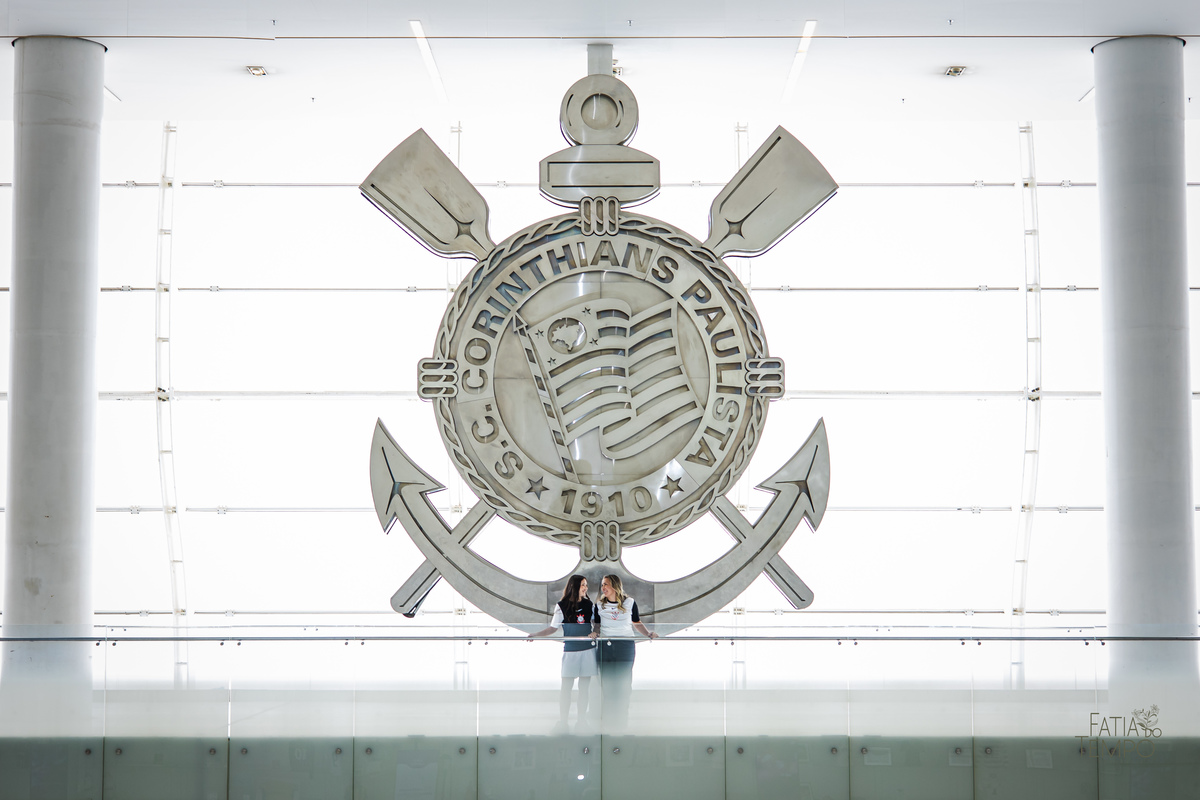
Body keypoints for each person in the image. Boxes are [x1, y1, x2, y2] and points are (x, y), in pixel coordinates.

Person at [528, 574, 597, 733]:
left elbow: (597, 625)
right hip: (571, 650)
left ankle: (581, 721)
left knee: (584, 688)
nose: (585, 588)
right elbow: (553, 628)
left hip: (588, 650)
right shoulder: (562, 606)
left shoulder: (589, 605)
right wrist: (535, 635)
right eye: (582, 585)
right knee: (566, 687)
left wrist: (596, 633)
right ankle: (563, 722)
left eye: (586, 585)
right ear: (574, 587)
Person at [589, 574, 657, 731]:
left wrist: (648, 634)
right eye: (602, 585)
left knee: (624, 683)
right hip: (605, 646)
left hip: (625, 645)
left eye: (606, 584)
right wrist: (595, 633)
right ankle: (607, 722)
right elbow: (597, 625)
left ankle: (621, 722)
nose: (603, 588)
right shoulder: (599, 605)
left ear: (615, 586)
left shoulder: (630, 602)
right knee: (606, 684)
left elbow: (636, 622)